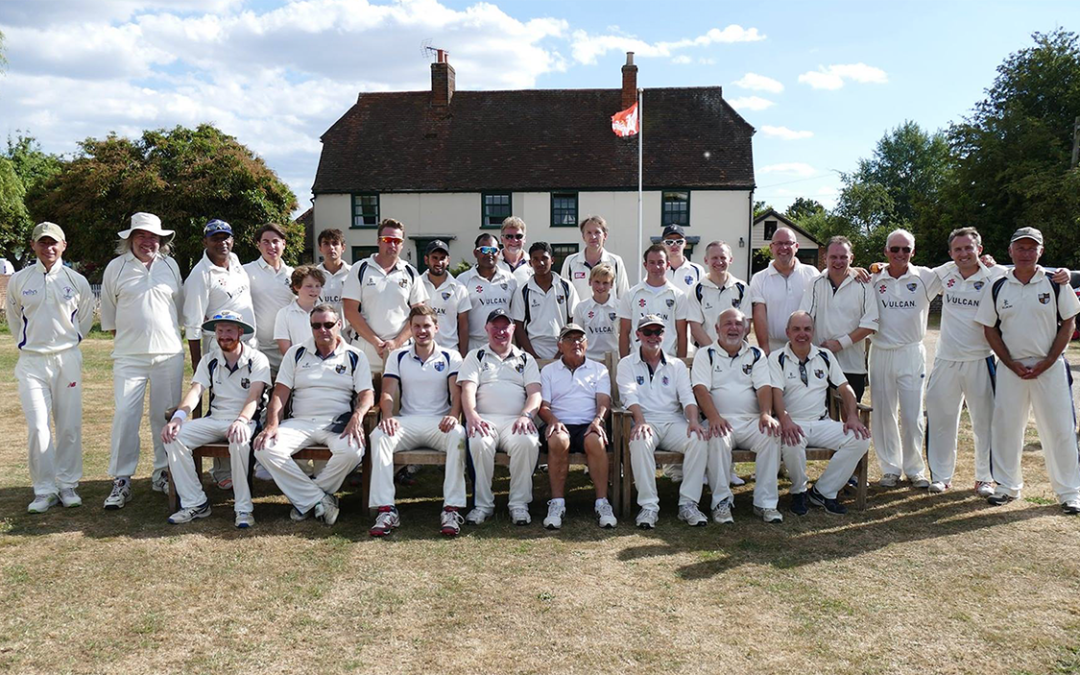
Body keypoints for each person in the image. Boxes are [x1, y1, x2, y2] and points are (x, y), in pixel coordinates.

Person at [925, 228, 1070, 495]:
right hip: (946, 358)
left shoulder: (997, 274)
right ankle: (941, 476)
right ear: (950, 253)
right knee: (941, 418)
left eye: (969, 248)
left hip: (981, 358)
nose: (964, 253)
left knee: (987, 422)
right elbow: (908, 269)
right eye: (958, 249)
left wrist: (1065, 273)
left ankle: (985, 478)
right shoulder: (944, 272)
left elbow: (1031, 267)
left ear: (979, 250)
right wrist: (879, 265)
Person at [975, 227, 1080, 514]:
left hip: (1050, 367)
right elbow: (989, 327)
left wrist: (1047, 361)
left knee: (1060, 429)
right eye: (1020, 248)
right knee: (1007, 428)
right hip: (1012, 367)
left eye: (1031, 248)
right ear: (1010, 251)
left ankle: (1070, 492)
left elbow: (1069, 323)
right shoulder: (998, 285)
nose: (1025, 253)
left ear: (1040, 251)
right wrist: (1009, 362)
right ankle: (1007, 486)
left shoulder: (1056, 282)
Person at [253, 304, 373, 525]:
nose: (322, 330)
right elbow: (280, 392)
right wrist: (272, 424)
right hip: (300, 422)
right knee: (264, 447)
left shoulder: (355, 355)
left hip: (337, 423)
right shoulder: (296, 353)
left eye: (328, 325)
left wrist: (357, 416)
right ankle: (318, 500)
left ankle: (306, 500)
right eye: (316, 326)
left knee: (353, 451)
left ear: (339, 325)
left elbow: (367, 394)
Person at [100, 213, 185, 509]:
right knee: (125, 415)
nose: (148, 242)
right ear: (130, 238)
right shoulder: (115, 267)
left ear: (161, 240)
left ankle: (162, 473)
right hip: (129, 357)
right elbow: (109, 315)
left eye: (153, 237)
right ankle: (122, 479)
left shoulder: (170, 265)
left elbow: (179, 308)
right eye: (142, 236)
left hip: (169, 353)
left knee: (164, 417)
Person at [7, 222, 93, 513]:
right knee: (38, 428)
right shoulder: (19, 280)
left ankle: (68, 484)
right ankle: (44, 489)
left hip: (66, 359)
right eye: (43, 243)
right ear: (33, 246)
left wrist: (71, 340)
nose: (49, 248)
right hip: (32, 361)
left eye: (54, 243)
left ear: (64, 245)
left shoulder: (76, 280)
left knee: (68, 425)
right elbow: (14, 319)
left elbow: (85, 318)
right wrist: (26, 344)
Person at [161, 311, 270, 528]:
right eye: (220, 331)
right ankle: (195, 503)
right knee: (174, 437)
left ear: (240, 332)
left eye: (229, 330)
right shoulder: (209, 360)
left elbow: (255, 396)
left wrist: (240, 420)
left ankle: (243, 509)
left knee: (239, 440)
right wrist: (178, 418)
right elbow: (195, 391)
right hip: (216, 418)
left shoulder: (256, 359)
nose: (224, 335)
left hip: (246, 421)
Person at [367, 306, 467, 537]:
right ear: (410, 329)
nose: (422, 331)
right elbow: (388, 393)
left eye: (426, 326)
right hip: (407, 423)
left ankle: (451, 508)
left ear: (436, 328)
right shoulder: (397, 356)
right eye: (417, 326)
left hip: (439, 424)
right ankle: (386, 509)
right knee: (379, 435)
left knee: (459, 435)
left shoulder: (451, 356)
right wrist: (388, 417)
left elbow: (456, 394)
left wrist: (453, 415)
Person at [771, 311, 871, 516]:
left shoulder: (824, 356)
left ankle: (823, 491)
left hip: (821, 423)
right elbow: (775, 394)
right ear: (787, 332)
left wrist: (852, 416)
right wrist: (785, 419)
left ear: (813, 331)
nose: (802, 334)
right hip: (793, 422)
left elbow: (845, 388)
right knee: (792, 442)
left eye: (807, 329)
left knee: (860, 439)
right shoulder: (777, 358)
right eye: (797, 329)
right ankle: (799, 492)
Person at [691, 308, 783, 524]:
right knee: (717, 438)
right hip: (720, 420)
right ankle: (722, 502)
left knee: (771, 434)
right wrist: (713, 417)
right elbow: (700, 389)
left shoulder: (756, 354)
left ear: (746, 328)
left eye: (738, 324)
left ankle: (766, 504)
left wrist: (765, 414)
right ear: (717, 329)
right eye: (728, 324)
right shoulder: (706, 354)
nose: (733, 328)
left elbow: (764, 387)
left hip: (752, 420)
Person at [183, 218, 255, 489]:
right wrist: (197, 365)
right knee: (222, 407)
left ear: (232, 240)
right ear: (205, 242)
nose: (221, 242)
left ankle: (244, 463)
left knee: (245, 405)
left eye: (226, 236)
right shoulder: (200, 275)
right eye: (215, 238)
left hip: (249, 348)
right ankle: (222, 470)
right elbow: (192, 324)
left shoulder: (236, 262)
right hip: (220, 350)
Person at [617, 315, 707, 529]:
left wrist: (693, 421)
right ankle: (649, 506)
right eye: (647, 332)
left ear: (664, 335)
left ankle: (688, 504)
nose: (653, 336)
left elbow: (687, 397)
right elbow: (629, 396)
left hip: (673, 420)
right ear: (638, 335)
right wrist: (639, 421)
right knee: (640, 440)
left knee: (698, 438)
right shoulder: (626, 364)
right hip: (644, 419)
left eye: (658, 332)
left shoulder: (676, 365)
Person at [868, 229, 941, 489]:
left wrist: (985, 262)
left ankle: (914, 469)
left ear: (913, 251)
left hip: (911, 352)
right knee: (884, 413)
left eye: (906, 249)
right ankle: (890, 468)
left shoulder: (925, 276)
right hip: (881, 351)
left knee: (912, 415)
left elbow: (960, 269)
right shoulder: (873, 278)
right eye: (895, 249)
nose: (900, 254)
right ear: (886, 251)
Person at [458, 308, 542, 525]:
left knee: (528, 442)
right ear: (486, 329)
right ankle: (482, 505)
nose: (500, 331)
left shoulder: (526, 358)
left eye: (505, 326)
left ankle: (519, 504)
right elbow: (467, 390)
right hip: (484, 418)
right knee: (478, 443)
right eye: (495, 326)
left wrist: (526, 416)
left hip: (515, 420)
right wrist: (472, 416)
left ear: (513, 329)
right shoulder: (475, 356)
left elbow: (534, 394)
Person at [538, 324, 615, 529]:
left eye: (580, 339)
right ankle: (557, 503)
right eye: (570, 339)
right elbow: (543, 406)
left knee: (596, 440)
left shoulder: (599, 370)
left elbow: (604, 402)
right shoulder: (549, 371)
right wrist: (554, 421)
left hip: (589, 424)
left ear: (587, 344)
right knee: (558, 439)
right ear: (560, 345)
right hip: (560, 422)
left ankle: (602, 503)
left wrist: (597, 421)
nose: (576, 343)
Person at [342, 218, 428, 373]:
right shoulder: (359, 269)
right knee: (364, 397)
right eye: (387, 240)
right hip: (364, 350)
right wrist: (376, 342)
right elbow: (350, 311)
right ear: (378, 242)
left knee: (398, 397)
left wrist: (397, 342)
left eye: (397, 241)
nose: (392, 244)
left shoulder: (410, 272)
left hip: (401, 351)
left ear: (402, 244)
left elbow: (419, 313)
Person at [798, 236, 878, 402]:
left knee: (850, 420)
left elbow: (870, 324)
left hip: (852, 366)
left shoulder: (864, 284)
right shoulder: (816, 283)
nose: (838, 261)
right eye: (833, 257)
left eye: (843, 257)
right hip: (819, 363)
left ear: (852, 258)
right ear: (825, 257)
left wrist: (840, 343)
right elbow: (805, 318)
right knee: (821, 419)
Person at [749, 227, 820, 354]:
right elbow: (759, 316)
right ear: (771, 247)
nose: (784, 248)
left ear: (796, 246)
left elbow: (833, 275)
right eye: (779, 243)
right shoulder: (759, 279)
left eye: (788, 243)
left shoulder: (812, 273)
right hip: (774, 350)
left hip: (807, 349)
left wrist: (853, 271)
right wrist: (764, 348)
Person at [618, 244, 689, 358]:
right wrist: (624, 363)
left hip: (668, 361)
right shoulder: (631, 294)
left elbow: (682, 335)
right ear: (645, 265)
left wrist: (680, 363)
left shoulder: (678, 296)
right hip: (637, 361)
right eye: (652, 262)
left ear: (668, 265)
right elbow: (624, 333)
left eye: (660, 262)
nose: (656, 267)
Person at [511, 241, 579, 359]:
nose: (540, 263)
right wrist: (533, 356)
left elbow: (573, 321)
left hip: (562, 348)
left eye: (544, 258)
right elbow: (519, 327)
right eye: (535, 259)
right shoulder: (523, 291)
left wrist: (562, 351)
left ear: (552, 260)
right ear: (530, 263)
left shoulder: (566, 287)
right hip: (533, 348)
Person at [244, 223, 294, 374]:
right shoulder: (245, 271)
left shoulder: (294, 274)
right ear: (258, 245)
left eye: (275, 241)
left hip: (288, 348)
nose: (271, 246)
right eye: (265, 242)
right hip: (258, 349)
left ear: (283, 244)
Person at [458, 233, 519, 351]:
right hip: (475, 345)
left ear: (499, 253)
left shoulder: (510, 280)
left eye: (493, 250)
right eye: (484, 250)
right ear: (475, 253)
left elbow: (515, 316)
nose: (489, 254)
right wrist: (463, 354)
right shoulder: (463, 280)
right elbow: (460, 321)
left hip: (503, 344)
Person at [688, 241, 748, 348]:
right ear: (706, 260)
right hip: (706, 354)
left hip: (737, 354)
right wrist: (715, 352)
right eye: (714, 258)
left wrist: (729, 350)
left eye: (723, 257)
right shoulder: (697, 289)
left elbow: (746, 324)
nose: (719, 262)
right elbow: (695, 327)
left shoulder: (742, 288)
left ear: (731, 260)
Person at [561, 215, 630, 300]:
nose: (593, 237)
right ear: (583, 237)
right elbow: (563, 294)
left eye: (597, 232)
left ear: (605, 236)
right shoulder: (570, 262)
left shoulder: (615, 262)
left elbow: (624, 295)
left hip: (609, 313)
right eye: (589, 233)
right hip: (579, 313)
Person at [420, 239, 470, 355]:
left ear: (448, 261)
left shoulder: (459, 288)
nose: (439, 262)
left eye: (442, 258)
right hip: (421, 352)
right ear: (426, 259)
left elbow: (463, 327)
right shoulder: (416, 285)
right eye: (435, 258)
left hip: (449, 351)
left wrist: (463, 356)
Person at [572, 263, 620, 362]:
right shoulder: (581, 307)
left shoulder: (619, 306)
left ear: (611, 284)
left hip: (614, 359)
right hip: (589, 360)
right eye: (597, 282)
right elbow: (577, 336)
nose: (601, 286)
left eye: (605, 283)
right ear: (590, 282)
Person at [274, 266, 326, 355]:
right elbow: (286, 351)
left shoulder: (327, 313)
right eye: (309, 286)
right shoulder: (284, 314)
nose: (314, 290)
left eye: (317, 286)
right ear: (296, 287)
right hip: (298, 365)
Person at [662, 225, 706, 295]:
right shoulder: (657, 270)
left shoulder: (697, 270)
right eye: (669, 242)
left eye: (679, 241)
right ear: (663, 244)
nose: (674, 245)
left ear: (685, 243)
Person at [496, 216, 534, 286]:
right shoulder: (493, 264)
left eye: (519, 236)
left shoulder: (533, 264)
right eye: (509, 236)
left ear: (524, 239)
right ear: (502, 239)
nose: (514, 240)